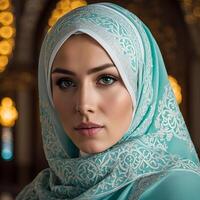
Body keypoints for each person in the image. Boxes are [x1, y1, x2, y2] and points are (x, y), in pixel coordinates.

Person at [17, 2, 200, 200]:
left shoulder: (174, 189)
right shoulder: (38, 191)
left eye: (106, 79)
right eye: (66, 82)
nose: (83, 105)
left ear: (142, 88)